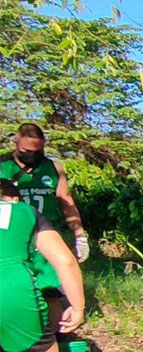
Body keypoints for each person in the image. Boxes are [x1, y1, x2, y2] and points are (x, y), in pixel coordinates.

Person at [0, 180, 86, 352]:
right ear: (13, 198)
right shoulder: (23, 212)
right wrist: (78, 307)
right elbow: (65, 261)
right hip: (10, 287)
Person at [1, 123, 90, 338]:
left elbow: (66, 201)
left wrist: (80, 235)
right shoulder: (3, 165)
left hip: (45, 236)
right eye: (27, 151)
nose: (33, 156)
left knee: (50, 289)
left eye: (37, 151)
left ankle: (57, 337)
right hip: (13, 237)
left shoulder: (53, 168)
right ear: (15, 144)